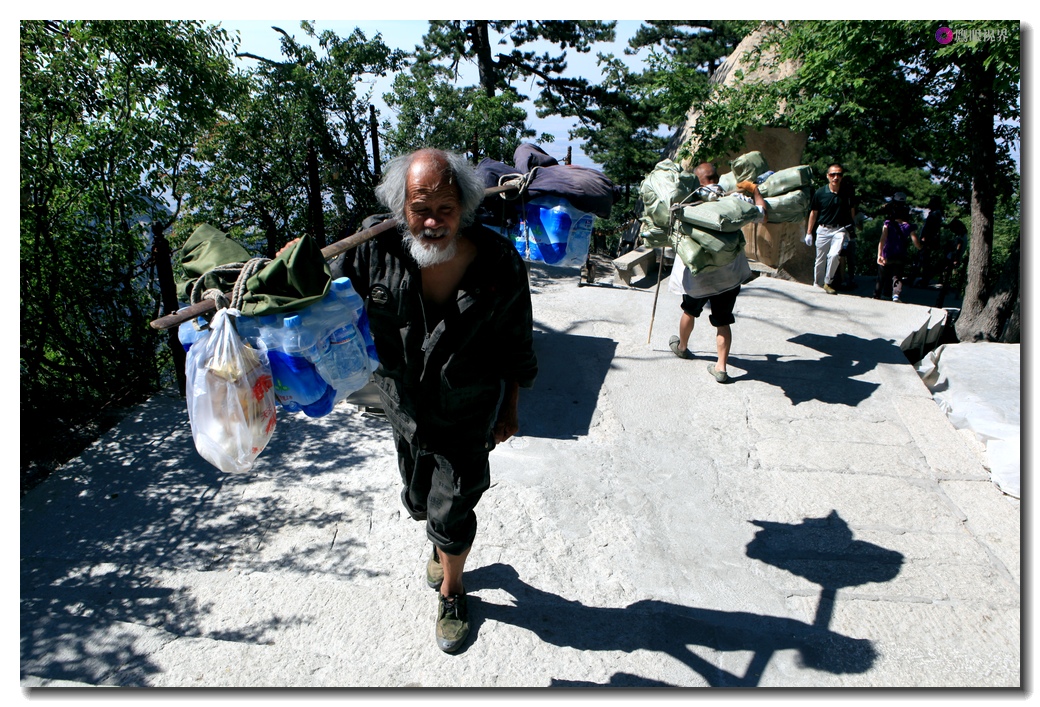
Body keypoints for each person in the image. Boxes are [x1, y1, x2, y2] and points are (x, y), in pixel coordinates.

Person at [286, 148, 538, 652]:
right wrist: (288, 267)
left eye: (445, 210)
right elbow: (316, 296)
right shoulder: (372, 250)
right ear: (399, 206)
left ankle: (453, 587)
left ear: (464, 207)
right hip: (402, 406)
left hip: (469, 409)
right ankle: (441, 540)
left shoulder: (498, 262)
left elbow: (516, 342)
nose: (432, 222)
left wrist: (510, 406)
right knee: (419, 498)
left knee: (453, 504)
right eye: (419, 208)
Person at [667, 162, 766, 384]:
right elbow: (763, 214)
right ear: (718, 178)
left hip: (697, 276)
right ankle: (721, 368)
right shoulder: (735, 200)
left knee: (689, 311)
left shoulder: (686, 203)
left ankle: (682, 347)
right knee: (723, 321)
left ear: (697, 182)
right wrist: (755, 190)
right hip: (728, 276)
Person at [806, 163, 857, 294]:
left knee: (834, 255)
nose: (836, 177)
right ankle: (818, 283)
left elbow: (851, 211)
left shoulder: (847, 192)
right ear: (828, 176)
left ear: (842, 176)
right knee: (820, 259)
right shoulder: (820, 193)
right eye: (832, 174)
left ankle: (828, 282)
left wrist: (851, 229)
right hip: (823, 229)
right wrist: (809, 232)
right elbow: (814, 213)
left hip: (840, 230)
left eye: (839, 174)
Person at [874, 199, 921, 302]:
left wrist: (879, 254)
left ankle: (878, 293)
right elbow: (915, 241)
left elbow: (882, 240)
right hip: (900, 254)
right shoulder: (908, 226)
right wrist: (921, 248)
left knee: (883, 274)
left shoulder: (888, 224)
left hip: (888, 253)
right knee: (897, 276)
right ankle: (896, 294)